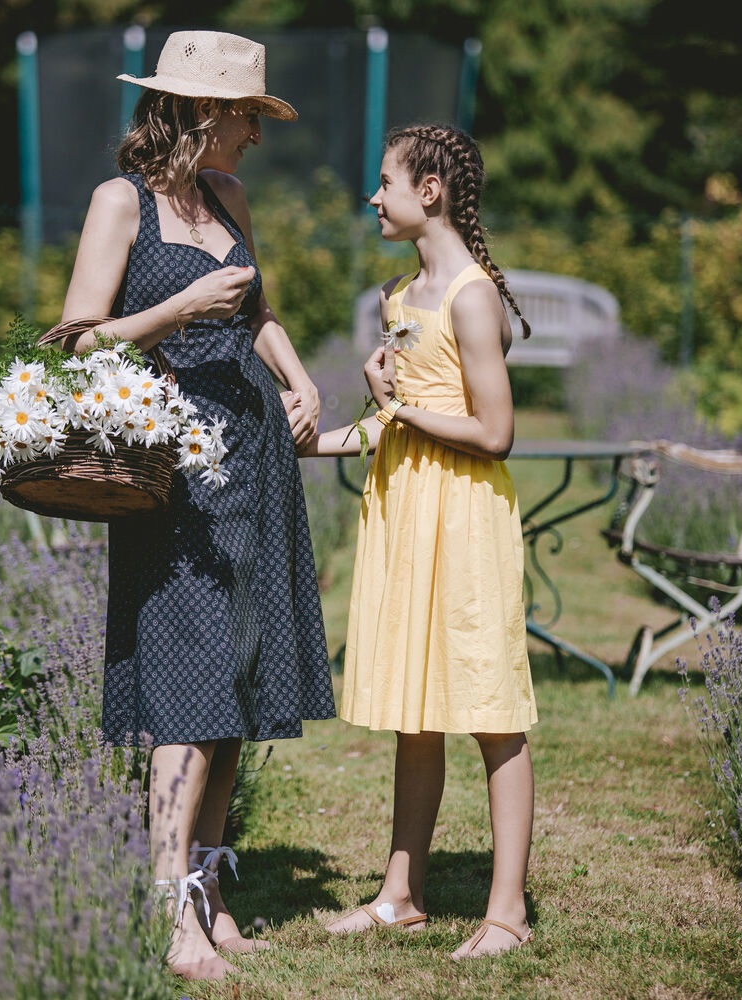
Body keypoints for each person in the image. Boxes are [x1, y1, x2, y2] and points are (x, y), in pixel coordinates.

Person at [58, 30, 335, 981]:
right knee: (185, 675)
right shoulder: (118, 202)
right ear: (203, 114)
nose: (256, 138)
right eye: (247, 118)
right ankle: (168, 914)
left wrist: (300, 382)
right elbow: (79, 342)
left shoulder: (229, 198)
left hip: (252, 454)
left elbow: (258, 314)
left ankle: (211, 893)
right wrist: (172, 314)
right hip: (172, 468)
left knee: (238, 668)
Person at [302, 123, 538, 959]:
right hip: (405, 510)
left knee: (493, 712)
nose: (373, 196)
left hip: (466, 512)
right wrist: (312, 442)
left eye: (386, 181)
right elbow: (384, 427)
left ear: (429, 190)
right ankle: (400, 895)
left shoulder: (472, 297)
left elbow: (495, 431)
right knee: (416, 709)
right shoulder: (398, 299)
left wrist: (396, 409)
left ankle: (506, 910)